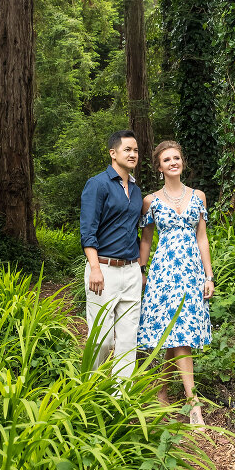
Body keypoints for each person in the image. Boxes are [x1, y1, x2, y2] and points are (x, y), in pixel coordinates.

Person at [137, 140, 215, 427]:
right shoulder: (151, 200)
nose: (173, 162)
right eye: (167, 159)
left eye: (177, 158)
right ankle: (193, 402)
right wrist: (141, 272)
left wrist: (209, 275)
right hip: (163, 274)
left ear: (183, 162)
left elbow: (202, 238)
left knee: (179, 333)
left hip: (191, 272)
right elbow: (146, 239)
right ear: (159, 167)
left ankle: (161, 390)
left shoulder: (199, 197)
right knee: (175, 333)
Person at [79, 130, 144, 382]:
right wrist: (94, 267)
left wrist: (140, 269)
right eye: (127, 149)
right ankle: (89, 388)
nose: (132, 154)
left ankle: (121, 395)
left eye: (136, 150)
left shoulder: (136, 190)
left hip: (131, 270)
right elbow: (88, 230)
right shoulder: (97, 184)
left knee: (128, 339)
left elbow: (133, 232)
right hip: (103, 269)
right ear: (113, 153)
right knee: (102, 339)